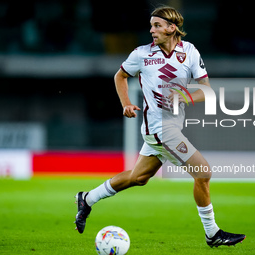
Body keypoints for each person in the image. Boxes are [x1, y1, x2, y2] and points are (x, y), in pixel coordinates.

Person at [75, 6, 246, 248]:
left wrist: (183, 96)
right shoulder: (142, 54)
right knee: (203, 172)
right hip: (160, 129)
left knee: (139, 177)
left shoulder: (190, 52)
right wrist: (126, 103)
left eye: (157, 25)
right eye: (151, 25)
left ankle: (87, 199)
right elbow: (120, 76)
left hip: (172, 127)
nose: (151, 30)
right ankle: (212, 233)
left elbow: (206, 90)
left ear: (171, 28)